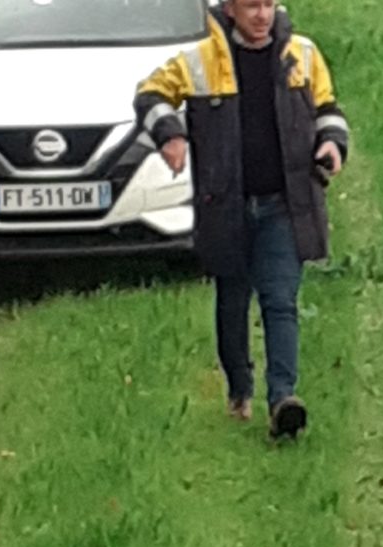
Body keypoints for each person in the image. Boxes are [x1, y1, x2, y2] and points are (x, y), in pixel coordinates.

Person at [134, 0, 350, 438]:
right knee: (232, 299)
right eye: (252, 6)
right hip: (226, 205)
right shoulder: (199, 59)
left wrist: (332, 144)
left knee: (280, 300)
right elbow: (150, 95)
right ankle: (239, 389)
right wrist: (170, 135)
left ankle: (283, 400)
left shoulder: (303, 56)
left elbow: (328, 109)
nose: (262, 15)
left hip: (285, 204)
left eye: (268, 4)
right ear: (230, 9)